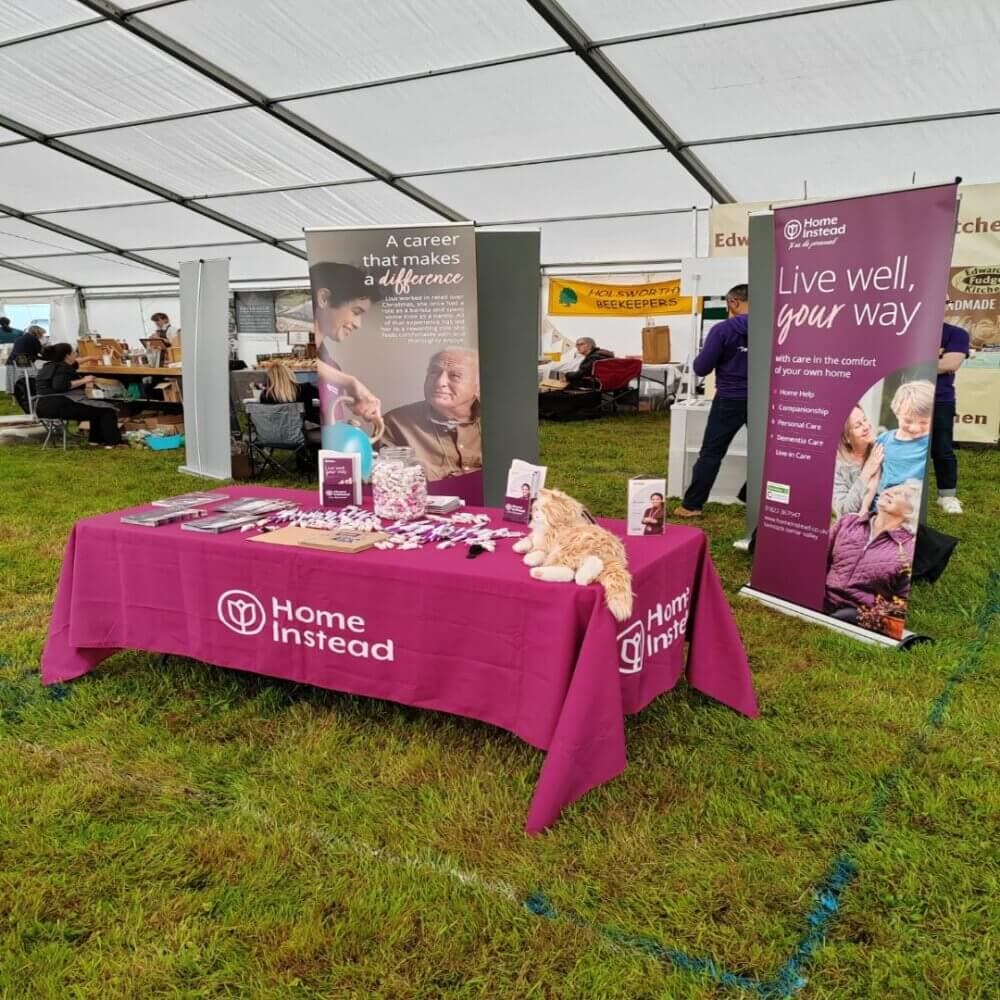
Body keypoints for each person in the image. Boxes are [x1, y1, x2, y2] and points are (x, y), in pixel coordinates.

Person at [674, 284, 750, 517]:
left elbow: (701, 367)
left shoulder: (722, 330)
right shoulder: (774, 327)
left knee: (711, 452)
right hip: (763, 399)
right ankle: (753, 497)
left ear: (734, 303)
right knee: (767, 455)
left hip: (729, 397)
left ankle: (692, 505)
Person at [824, 480, 919, 622]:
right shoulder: (848, 522)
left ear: (911, 511)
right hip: (822, 596)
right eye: (890, 489)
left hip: (857, 612)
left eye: (900, 494)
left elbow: (901, 601)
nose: (889, 492)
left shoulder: (908, 550)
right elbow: (817, 559)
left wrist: (870, 615)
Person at [380, 348, 481, 481]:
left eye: (455, 376)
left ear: (478, 386)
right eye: (434, 372)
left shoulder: (502, 422)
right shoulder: (395, 423)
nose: (440, 382)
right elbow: (384, 480)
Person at [311, 262, 383, 425]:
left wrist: (350, 401)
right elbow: (292, 363)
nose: (358, 324)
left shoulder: (332, 368)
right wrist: (348, 381)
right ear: (324, 298)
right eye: (356, 312)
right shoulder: (334, 374)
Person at [35, 343, 124, 447]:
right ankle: (113, 442)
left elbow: (75, 363)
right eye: (73, 352)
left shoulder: (52, 365)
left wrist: (90, 357)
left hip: (43, 406)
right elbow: (60, 386)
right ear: (67, 355)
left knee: (96, 406)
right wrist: (84, 380)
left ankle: (95, 440)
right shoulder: (62, 369)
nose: (75, 354)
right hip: (59, 406)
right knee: (107, 410)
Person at [932, 322, 971, 514]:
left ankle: (947, 496)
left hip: (940, 400)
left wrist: (910, 361)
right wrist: (935, 360)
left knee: (942, 449)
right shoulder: (904, 329)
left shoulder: (956, 333)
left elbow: (951, 363)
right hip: (906, 394)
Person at [874, 380, 935, 496]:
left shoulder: (930, 443)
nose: (915, 428)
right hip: (882, 501)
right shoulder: (884, 439)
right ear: (897, 413)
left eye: (924, 422)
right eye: (908, 421)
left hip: (911, 502)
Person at [832, 405, 884, 518]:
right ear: (847, 438)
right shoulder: (838, 467)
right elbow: (845, 511)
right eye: (858, 425)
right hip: (856, 528)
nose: (866, 426)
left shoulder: (881, 448)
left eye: (864, 419)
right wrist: (866, 472)